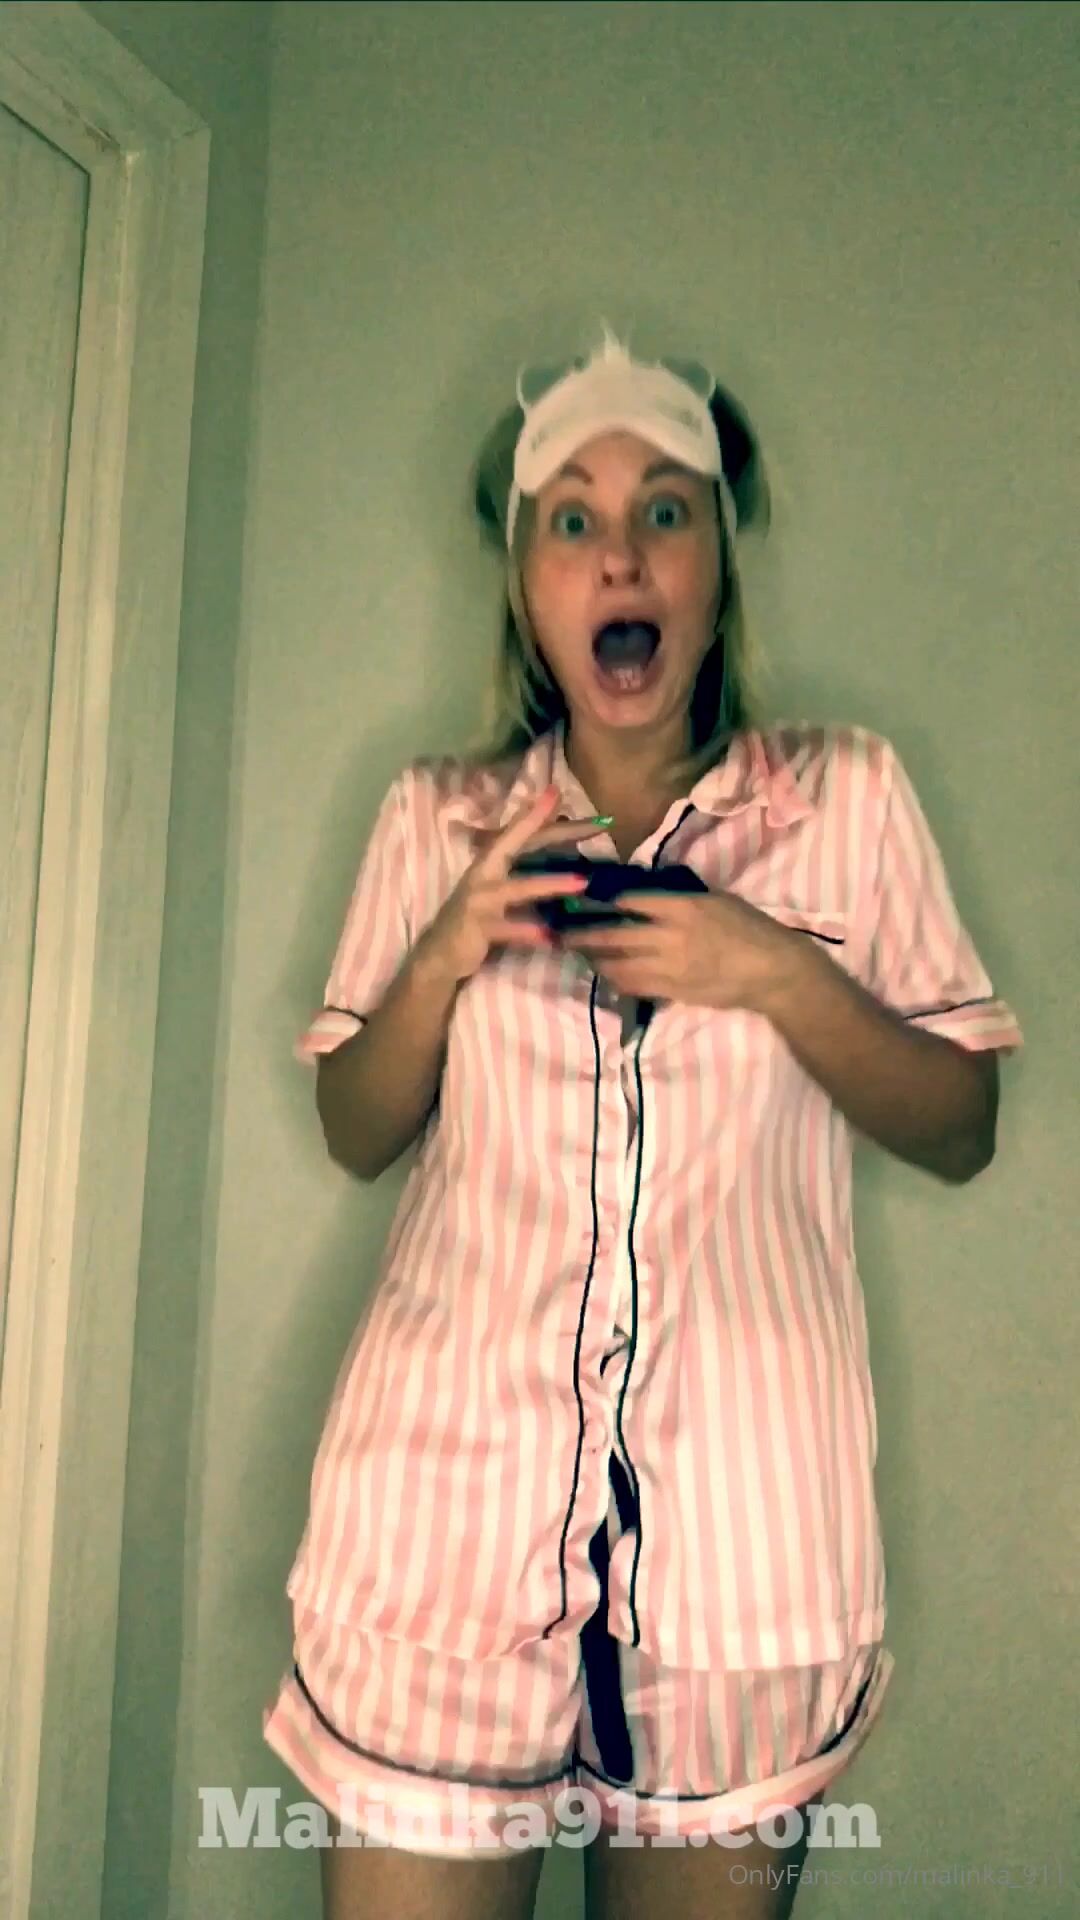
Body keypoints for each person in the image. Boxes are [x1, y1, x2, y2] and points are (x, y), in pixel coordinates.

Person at [263, 326, 1024, 1920]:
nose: (622, 552)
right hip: (439, 1540)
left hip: (745, 1569)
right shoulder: (435, 820)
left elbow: (962, 1124)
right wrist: (447, 949)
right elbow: (355, 1126)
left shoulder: (847, 800)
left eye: (666, 510)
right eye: (576, 518)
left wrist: (772, 972)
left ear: (717, 566)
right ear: (528, 585)